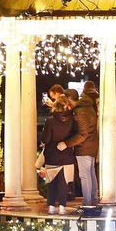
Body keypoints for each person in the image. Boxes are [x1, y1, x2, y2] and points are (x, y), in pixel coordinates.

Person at [41, 85, 78, 214]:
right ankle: (62, 206)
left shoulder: (50, 121)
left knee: (52, 182)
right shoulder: (72, 120)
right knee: (63, 182)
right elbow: (75, 135)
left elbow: (45, 139)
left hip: (52, 155)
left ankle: (51, 206)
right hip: (66, 155)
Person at [73, 82, 102, 206]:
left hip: (84, 145)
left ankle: (87, 201)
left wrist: (68, 143)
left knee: (85, 174)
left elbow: (82, 133)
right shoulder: (95, 104)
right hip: (95, 141)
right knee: (91, 172)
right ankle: (93, 197)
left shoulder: (81, 110)